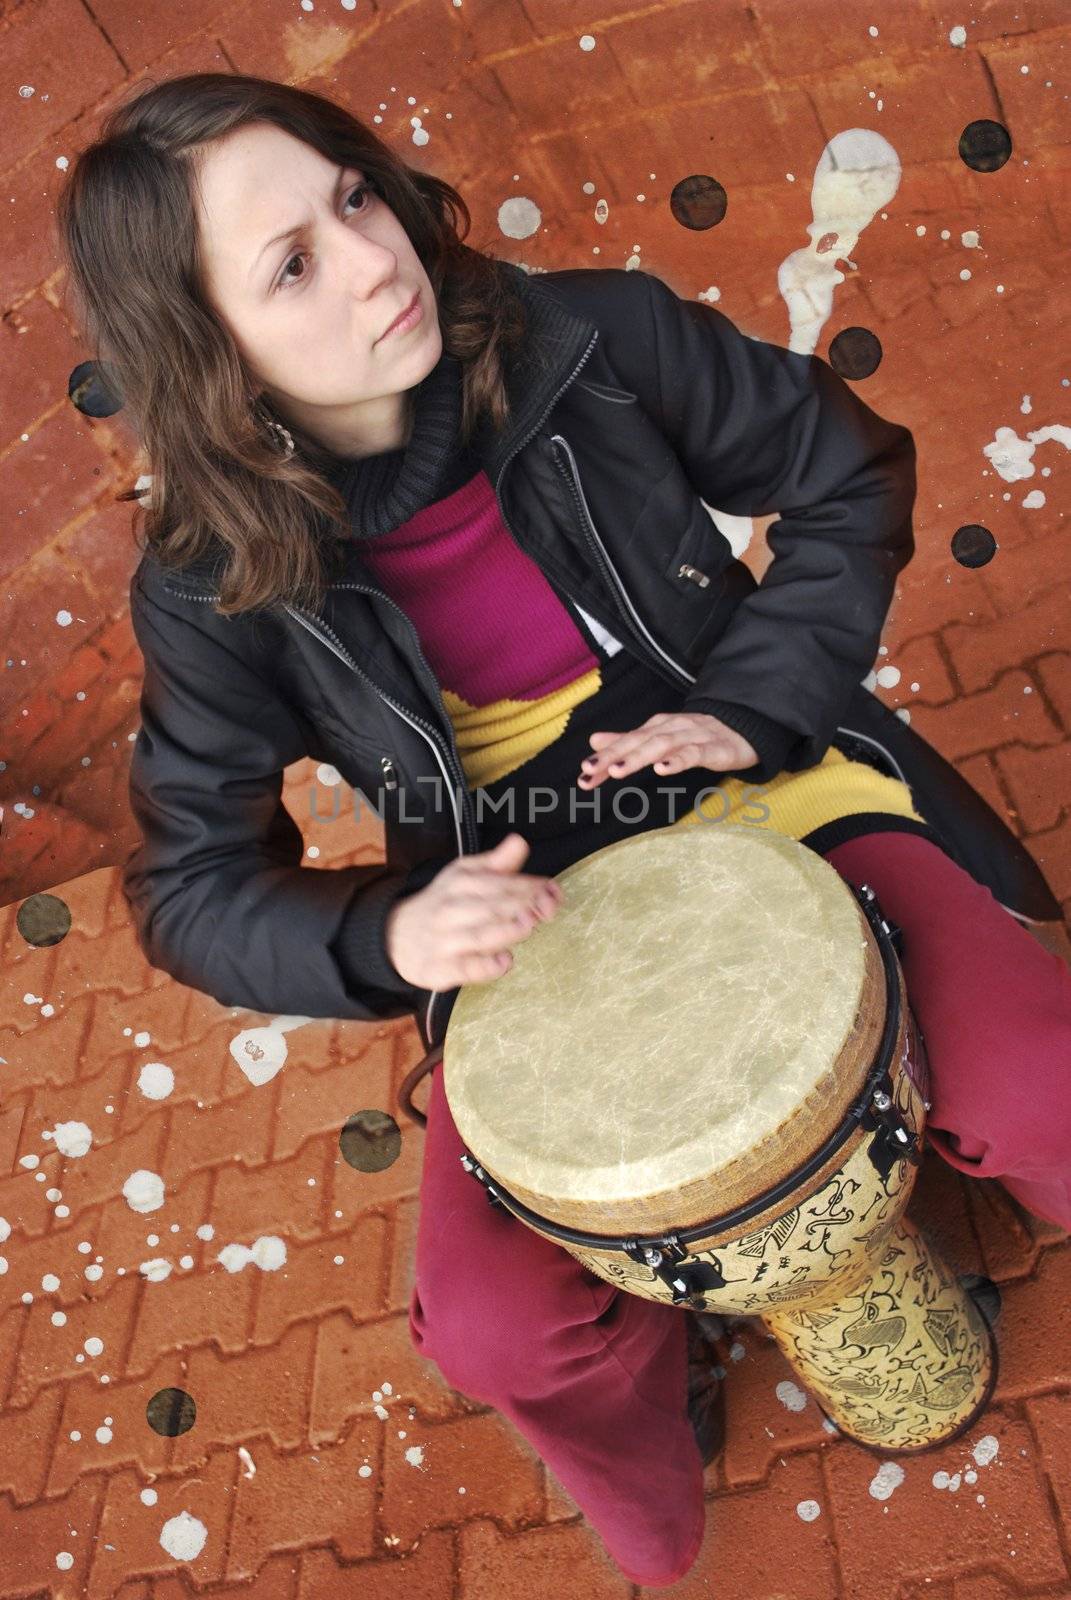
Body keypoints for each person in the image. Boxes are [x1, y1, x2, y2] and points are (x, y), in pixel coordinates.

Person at [57, 71, 1071, 1589]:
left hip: (766, 779)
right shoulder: (208, 583)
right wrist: (388, 933)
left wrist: (750, 700)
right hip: (529, 918)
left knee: (1045, 1079)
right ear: (212, 352)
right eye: (291, 266)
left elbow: (844, 474)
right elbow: (192, 885)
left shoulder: (593, 337)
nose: (371, 257)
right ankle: (658, 1488)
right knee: (494, 1328)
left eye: (349, 197)